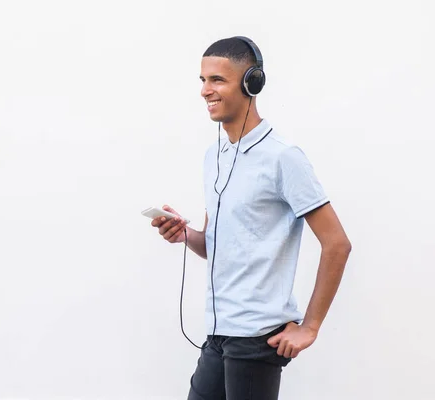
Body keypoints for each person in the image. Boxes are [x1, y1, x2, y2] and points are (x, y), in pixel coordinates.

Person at [150, 36, 352, 399]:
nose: (205, 91)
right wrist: (186, 235)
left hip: (257, 338)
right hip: (218, 334)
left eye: (217, 80)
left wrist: (310, 327)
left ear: (251, 83)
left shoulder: (282, 157)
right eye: (202, 80)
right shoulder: (215, 155)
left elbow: (337, 243)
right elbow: (218, 246)